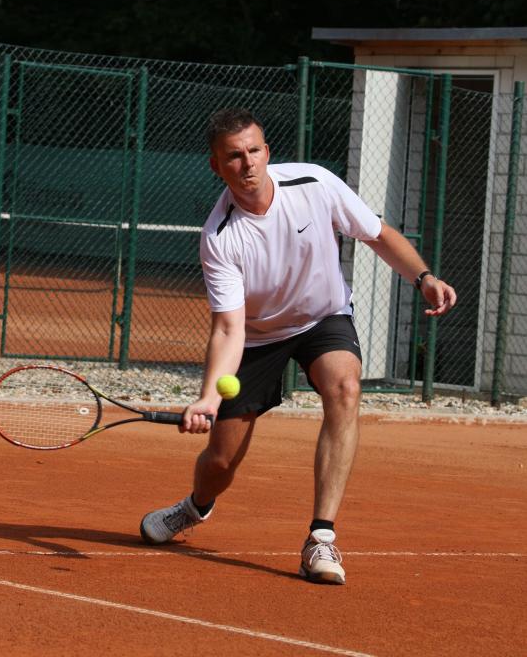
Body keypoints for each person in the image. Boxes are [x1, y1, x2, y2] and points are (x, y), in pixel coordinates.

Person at [140, 108, 457, 585]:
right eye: (234, 156)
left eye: (254, 151)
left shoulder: (314, 183)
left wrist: (424, 277)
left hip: (323, 317)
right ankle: (195, 507)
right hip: (257, 335)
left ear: (267, 152)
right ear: (216, 166)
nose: (247, 163)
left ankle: (321, 538)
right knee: (221, 460)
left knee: (345, 386)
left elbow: (378, 233)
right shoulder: (220, 237)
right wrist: (208, 397)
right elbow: (228, 328)